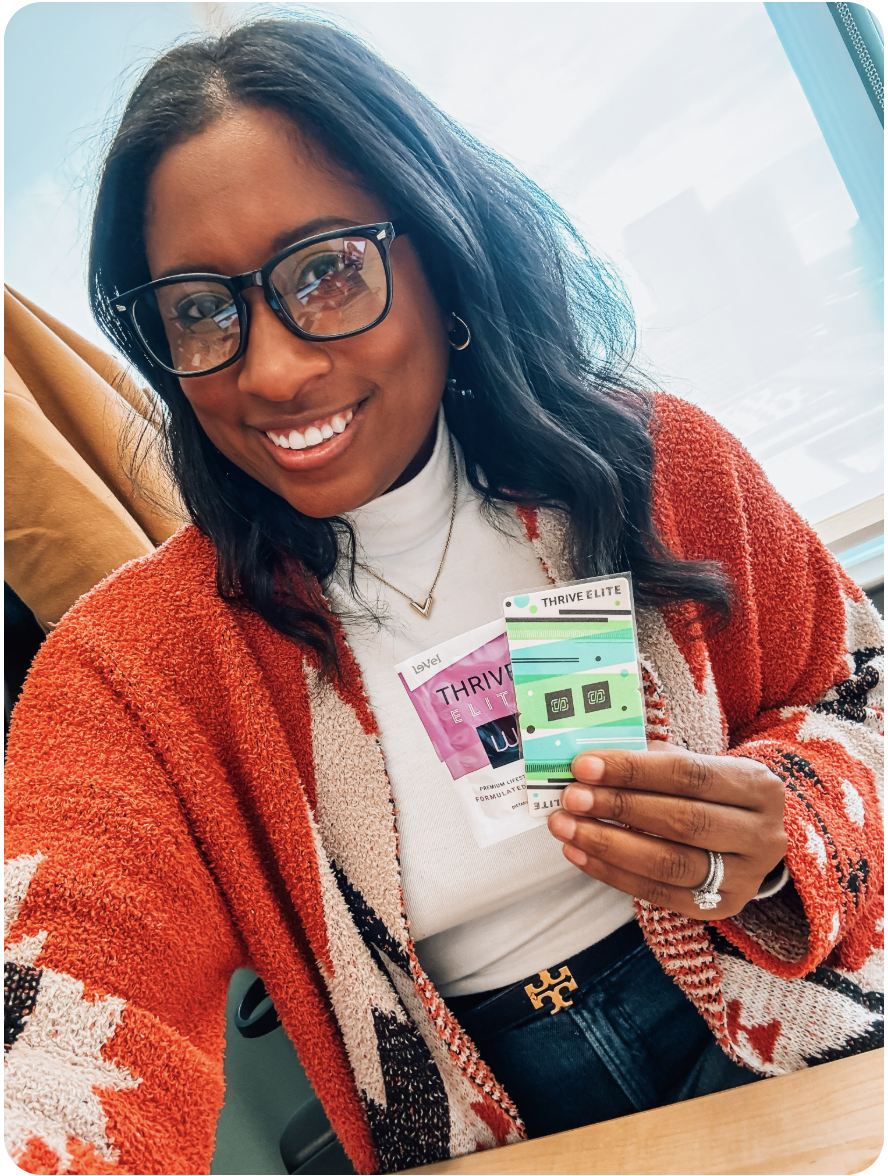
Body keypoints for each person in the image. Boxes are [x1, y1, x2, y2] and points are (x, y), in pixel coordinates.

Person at [4, 17, 882, 1176]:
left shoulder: (659, 467)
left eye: (328, 272)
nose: (272, 369)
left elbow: (861, 699)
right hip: (476, 1125)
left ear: (443, 254)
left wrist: (786, 828)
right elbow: (56, 1024)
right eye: (203, 309)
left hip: (793, 1032)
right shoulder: (132, 668)